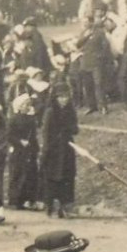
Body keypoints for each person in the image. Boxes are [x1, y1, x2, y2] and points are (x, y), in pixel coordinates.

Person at [38, 83, 79, 218]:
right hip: (54, 150)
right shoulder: (50, 112)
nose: (64, 100)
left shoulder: (70, 111)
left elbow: (75, 129)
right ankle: (51, 206)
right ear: (55, 98)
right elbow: (46, 133)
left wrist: (69, 129)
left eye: (66, 97)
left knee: (67, 177)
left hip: (67, 148)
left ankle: (65, 206)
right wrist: (45, 151)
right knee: (53, 178)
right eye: (61, 97)